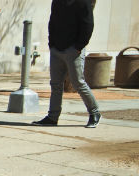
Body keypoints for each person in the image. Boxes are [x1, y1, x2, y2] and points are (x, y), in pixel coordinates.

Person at [33, 0, 100, 128]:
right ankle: (52, 117)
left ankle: (94, 113)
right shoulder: (57, 1)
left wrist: (78, 46)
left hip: (74, 50)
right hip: (56, 49)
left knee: (78, 83)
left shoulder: (83, 2)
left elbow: (88, 25)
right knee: (56, 84)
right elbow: (52, 22)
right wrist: (51, 44)